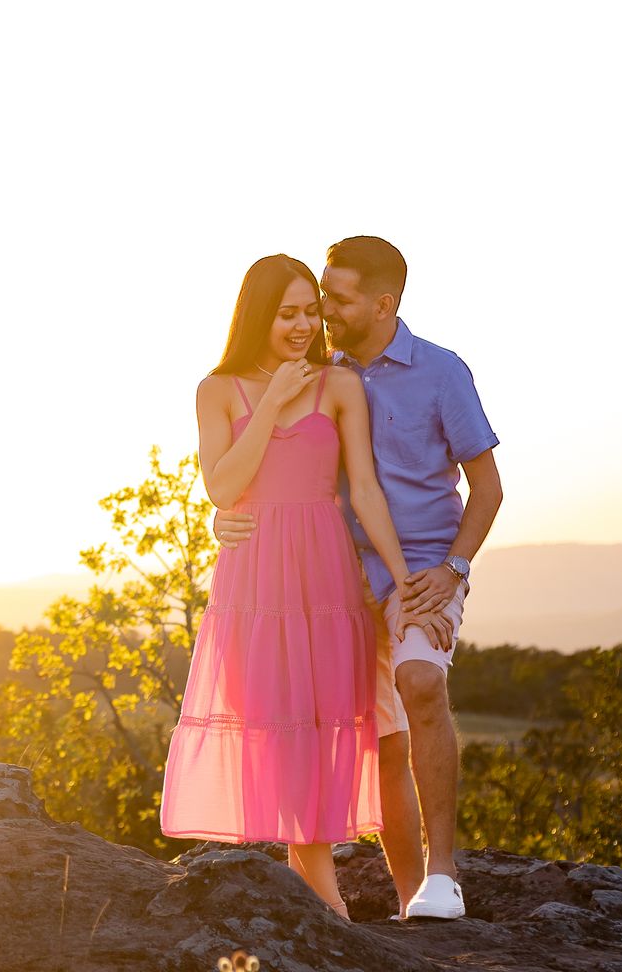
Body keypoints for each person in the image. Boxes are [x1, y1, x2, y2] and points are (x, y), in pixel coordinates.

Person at [214, 236, 502, 922]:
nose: (321, 316)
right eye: (314, 303)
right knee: (379, 739)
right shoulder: (319, 369)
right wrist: (225, 523)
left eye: (331, 302)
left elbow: (484, 489)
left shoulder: (438, 372)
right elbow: (253, 477)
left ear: (383, 303)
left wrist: (445, 573)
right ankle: (408, 903)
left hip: (424, 569)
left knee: (420, 682)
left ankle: (442, 875)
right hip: (332, 577)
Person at [161, 253, 431, 919]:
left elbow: (364, 488)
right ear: (258, 316)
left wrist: (405, 582)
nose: (304, 324)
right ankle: (323, 902)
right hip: (254, 582)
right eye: (288, 313)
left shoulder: (340, 386)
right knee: (275, 730)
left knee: (323, 726)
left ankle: (323, 898)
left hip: (325, 576)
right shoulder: (217, 389)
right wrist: (274, 401)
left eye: (312, 311)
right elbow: (223, 486)